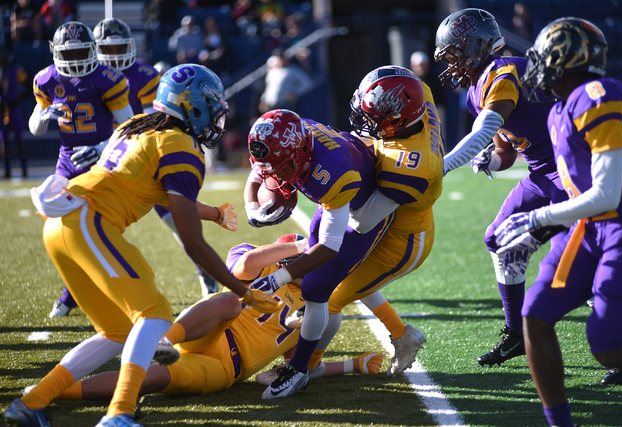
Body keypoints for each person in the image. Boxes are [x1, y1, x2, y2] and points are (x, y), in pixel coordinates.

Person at [4, 64, 280, 427]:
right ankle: (118, 413)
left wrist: (212, 213)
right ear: (193, 107)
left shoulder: (135, 129)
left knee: (118, 332)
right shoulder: (182, 147)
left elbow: (153, 192)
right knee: (155, 315)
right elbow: (194, 245)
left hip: (62, 225)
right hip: (89, 223)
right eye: (212, 109)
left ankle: (31, 402)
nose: (216, 119)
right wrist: (242, 290)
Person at [494, 17, 622, 427]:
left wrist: (537, 217)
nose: (535, 66)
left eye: (542, 57)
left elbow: (608, 194)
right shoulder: (561, 108)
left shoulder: (598, 94)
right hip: (591, 227)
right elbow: (583, 193)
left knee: (607, 348)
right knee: (536, 316)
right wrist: (545, 223)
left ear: (562, 59)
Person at [49, 234, 383, 405]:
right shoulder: (262, 264)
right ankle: (165, 340)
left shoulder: (317, 305)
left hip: (226, 370)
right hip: (207, 332)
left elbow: (293, 371)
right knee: (229, 301)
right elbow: (243, 264)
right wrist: (301, 246)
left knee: (150, 380)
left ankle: (54, 393)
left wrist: (352, 365)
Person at [433, 8, 569, 367]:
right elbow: (505, 151)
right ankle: (515, 334)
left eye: (454, 54)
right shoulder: (476, 89)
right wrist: (489, 160)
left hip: (572, 173)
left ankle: (621, 343)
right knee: (498, 239)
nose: (451, 64)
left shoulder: (504, 71)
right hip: (542, 175)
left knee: (574, 264)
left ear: (476, 46)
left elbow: (483, 132)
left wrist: (442, 166)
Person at [302, 65, 443, 378]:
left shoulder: (408, 167)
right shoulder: (418, 98)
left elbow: (362, 221)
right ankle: (402, 334)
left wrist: (332, 191)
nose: (365, 123)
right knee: (346, 276)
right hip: (394, 219)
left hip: (402, 241)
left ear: (397, 120)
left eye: (374, 117)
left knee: (331, 295)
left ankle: (307, 366)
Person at [244, 109, 393, 399]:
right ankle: (312, 341)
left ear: (299, 154)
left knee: (315, 288)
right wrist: (252, 208)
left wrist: (278, 279)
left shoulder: (333, 173)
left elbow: (329, 247)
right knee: (314, 281)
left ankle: (299, 370)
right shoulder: (289, 141)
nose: (273, 177)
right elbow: (259, 169)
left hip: (364, 210)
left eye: (281, 168)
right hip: (334, 199)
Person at [90, 17, 220, 298]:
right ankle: (72, 294)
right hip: (111, 158)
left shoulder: (146, 75)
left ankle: (205, 273)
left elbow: (158, 121)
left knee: (179, 224)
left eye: (119, 48)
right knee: (92, 226)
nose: (113, 55)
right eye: (107, 49)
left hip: (144, 158)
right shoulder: (90, 78)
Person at [28, 21, 135, 318]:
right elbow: (34, 129)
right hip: (67, 160)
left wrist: (101, 148)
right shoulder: (46, 80)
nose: (75, 61)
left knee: (94, 229)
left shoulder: (106, 78)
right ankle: (74, 292)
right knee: (61, 228)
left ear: (93, 50)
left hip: (104, 160)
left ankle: (74, 295)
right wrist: (44, 115)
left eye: (81, 53)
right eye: (68, 54)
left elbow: (129, 128)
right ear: (55, 52)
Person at [1, 51, 29, 179]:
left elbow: (28, 86)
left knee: (19, 140)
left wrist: (21, 97)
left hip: (14, 108)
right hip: (3, 110)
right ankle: (7, 171)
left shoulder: (15, 71)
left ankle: (24, 170)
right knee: (4, 141)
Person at [258, 50, 312, 114]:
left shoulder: (293, 70)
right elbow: (268, 88)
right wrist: (263, 101)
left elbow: (307, 83)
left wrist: (295, 93)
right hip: (270, 106)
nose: (281, 61)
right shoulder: (272, 71)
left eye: (282, 58)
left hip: (285, 105)